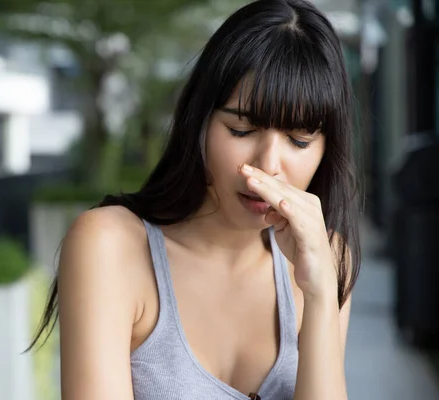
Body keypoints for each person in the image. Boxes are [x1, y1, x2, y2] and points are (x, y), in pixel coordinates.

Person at [29, 0, 362, 399]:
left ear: (327, 148)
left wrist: (322, 294)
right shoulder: (111, 246)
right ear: (199, 122)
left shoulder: (328, 258)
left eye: (299, 140)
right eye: (240, 129)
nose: (268, 166)